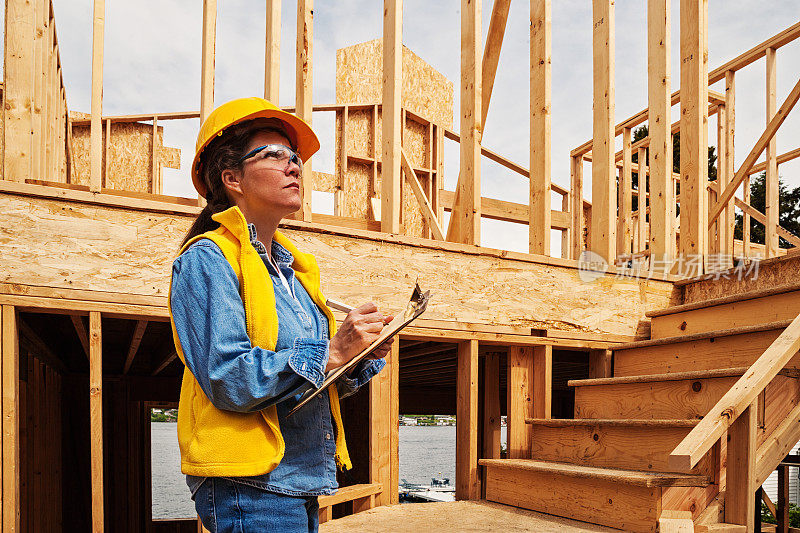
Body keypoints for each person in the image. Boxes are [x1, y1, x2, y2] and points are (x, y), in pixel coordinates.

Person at [169, 97, 392, 532]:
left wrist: (352, 359)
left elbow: (304, 386)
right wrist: (330, 352)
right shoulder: (207, 260)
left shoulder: (295, 274)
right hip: (249, 485)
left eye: (295, 159)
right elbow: (228, 377)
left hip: (298, 481)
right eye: (274, 155)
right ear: (231, 178)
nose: (294, 167)